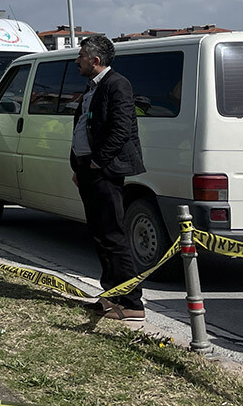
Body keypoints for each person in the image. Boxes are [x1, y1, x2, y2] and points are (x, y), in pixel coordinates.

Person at [71, 35, 147, 322]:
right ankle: (111, 296)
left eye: (81, 56)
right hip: (88, 171)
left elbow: (120, 130)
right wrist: (80, 167)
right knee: (101, 235)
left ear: (96, 60)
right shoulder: (92, 87)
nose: (77, 61)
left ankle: (131, 303)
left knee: (113, 235)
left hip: (105, 171)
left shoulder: (117, 85)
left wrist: (95, 163)